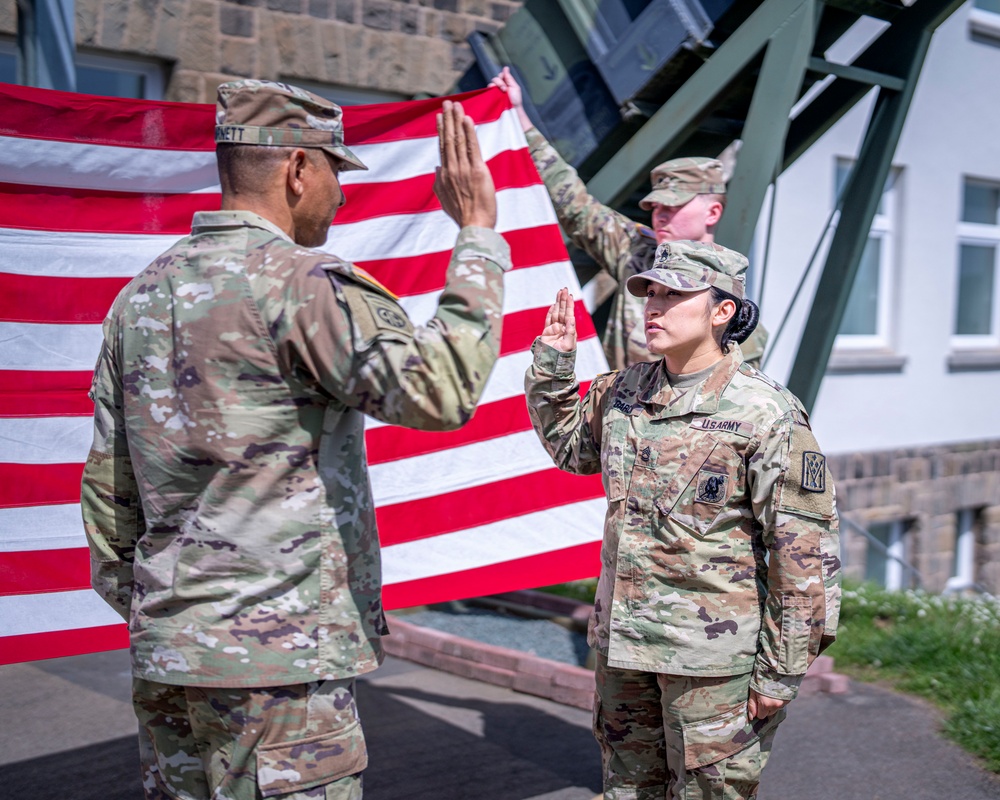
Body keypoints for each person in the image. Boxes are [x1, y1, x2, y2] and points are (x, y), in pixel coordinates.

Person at [81, 79, 511, 800]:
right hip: (275, 669)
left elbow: (108, 495)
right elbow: (440, 393)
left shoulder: (141, 295)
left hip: (171, 658)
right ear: (297, 169)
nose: (339, 195)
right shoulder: (302, 285)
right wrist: (477, 236)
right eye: (335, 172)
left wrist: (172, 620)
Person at [524, 239, 841, 800]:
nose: (654, 306)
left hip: (712, 663)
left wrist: (781, 670)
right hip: (625, 648)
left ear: (723, 311)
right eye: (650, 292)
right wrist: (553, 370)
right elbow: (573, 452)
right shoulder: (625, 391)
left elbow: (802, 551)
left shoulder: (766, 413)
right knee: (627, 791)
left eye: (674, 295)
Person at [491, 67, 768, 372]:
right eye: (656, 205)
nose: (659, 214)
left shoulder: (725, 296)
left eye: (673, 206)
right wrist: (520, 117)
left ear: (712, 213)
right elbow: (576, 206)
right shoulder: (638, 252)